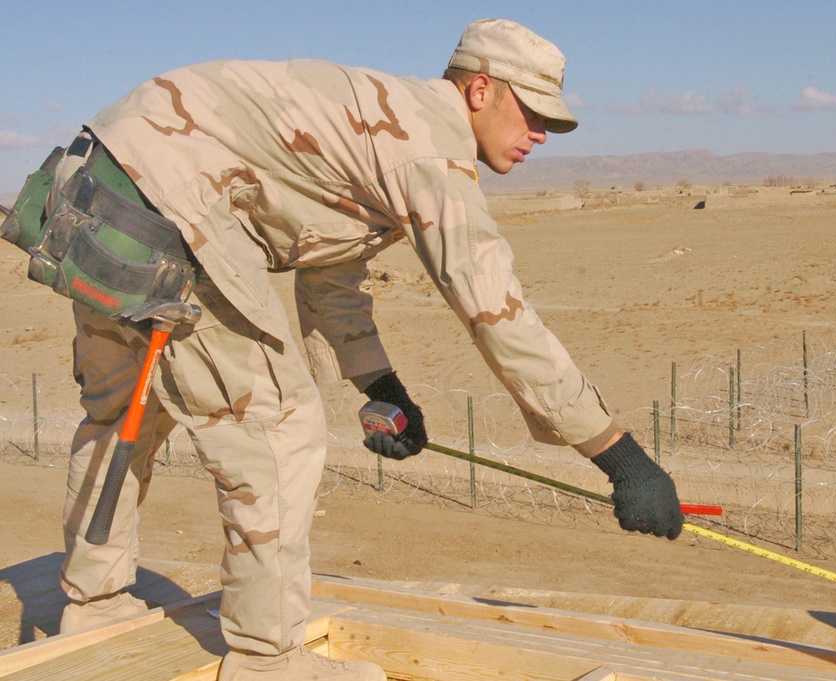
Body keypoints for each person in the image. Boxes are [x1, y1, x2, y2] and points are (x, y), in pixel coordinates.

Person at [33, 18, 682, 681]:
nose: (540, 134)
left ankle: (96, 601)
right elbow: (496, 310)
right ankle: (268, 659)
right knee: (281, 430)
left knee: (123, 414)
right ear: (481, 89)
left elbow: (329, 272)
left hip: (93, 190)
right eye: (534, 112)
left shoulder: (383, 121)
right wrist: (618, 455)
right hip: (173, 208)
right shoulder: (428, 149)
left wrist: (380, 388)